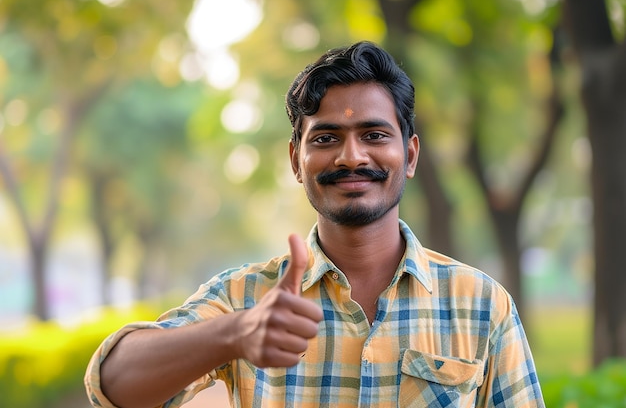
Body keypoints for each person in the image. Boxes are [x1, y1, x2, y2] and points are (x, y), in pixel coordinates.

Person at [85, 41, 544, 408]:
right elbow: (111, 386)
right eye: (326, 138)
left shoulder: (482, 305)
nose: (351, 156)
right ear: (296, 161)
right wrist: (235, 334)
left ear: (410, 155)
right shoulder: (244, 299)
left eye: (374, 135)